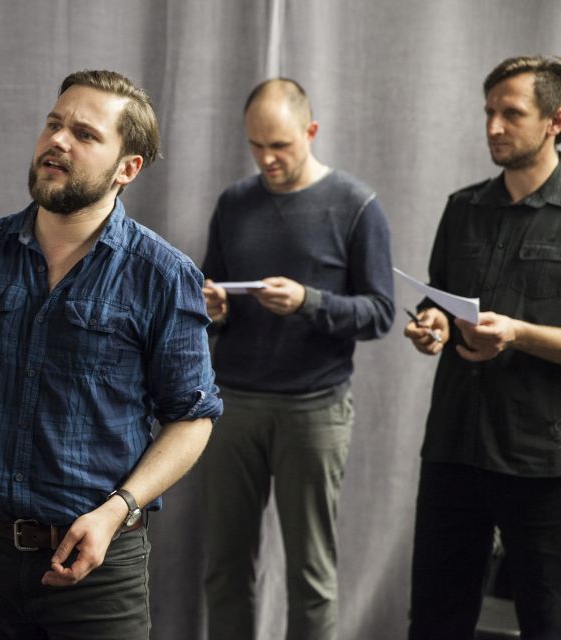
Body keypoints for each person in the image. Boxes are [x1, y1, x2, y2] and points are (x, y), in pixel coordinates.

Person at [0, 69, 222, 639]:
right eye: (54, 124)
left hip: (97, 566)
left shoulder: (162, 275)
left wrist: (116, 511)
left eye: (84, 134)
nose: (57, 140)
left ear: (127, 168)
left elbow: (192, 418)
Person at [200, 78, 395, 640]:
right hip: (233, 404)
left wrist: (309, 302)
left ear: (310, 132)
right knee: (225, 568)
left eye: (280, 145)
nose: (267, 159)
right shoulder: (234, 203)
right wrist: (214, 310)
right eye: (256, 145)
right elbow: (212, 296)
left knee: (311, 575)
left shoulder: (357, 205)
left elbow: (381, 313)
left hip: (315, 408)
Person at [404, 55, 561, 640]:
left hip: (542, 460)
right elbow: (438, 304)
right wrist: (432, 328)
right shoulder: (463, 208)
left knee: (548, 620)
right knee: (435, 621)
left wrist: (517, 333)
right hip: (455, 446)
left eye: (511, 113)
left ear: (555, 121)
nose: (494, 126)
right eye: (489, 112)